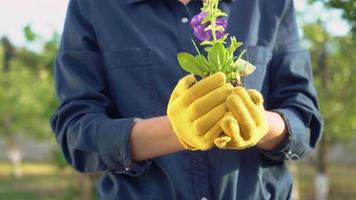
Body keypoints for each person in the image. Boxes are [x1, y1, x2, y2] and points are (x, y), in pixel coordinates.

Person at [49, 0, 323, 199]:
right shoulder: (95, 6)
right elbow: (76, 133)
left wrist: (260, 126)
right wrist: (177, 130)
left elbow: (304, 121)